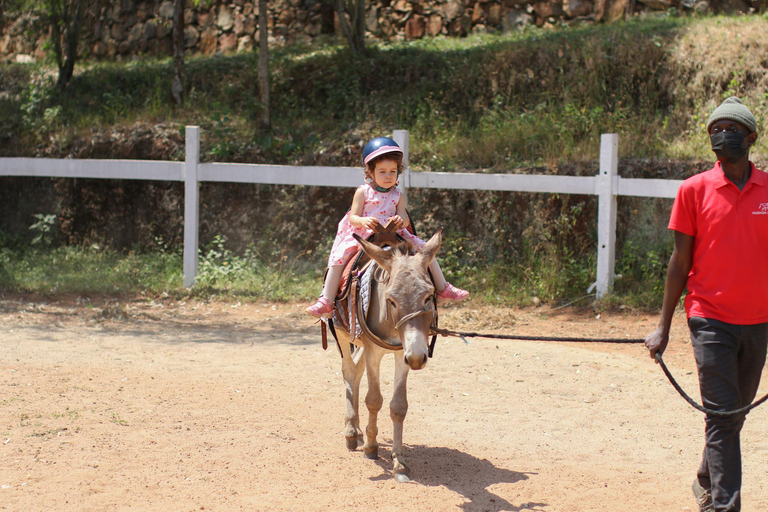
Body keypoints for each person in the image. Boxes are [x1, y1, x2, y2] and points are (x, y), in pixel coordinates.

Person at [644, 97, 767, 512]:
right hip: (709, 319)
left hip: (759, 321)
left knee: (734, 414)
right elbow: (680, 262)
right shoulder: (694, 190)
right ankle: (723, 506)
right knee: (721, 415)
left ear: (751, 136)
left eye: (731, 128)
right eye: (715, 129)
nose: (721, 134)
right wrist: (663, 326)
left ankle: (704, 480)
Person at [305, 136, 469, 318]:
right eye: (382, 171)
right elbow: (353, 217)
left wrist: (401, 220)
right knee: (339, 257)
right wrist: (363, 221)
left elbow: (404, 217)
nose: (388, 175)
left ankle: (442, 287)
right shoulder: (363, 191)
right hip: (366, 232)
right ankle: (326, 300)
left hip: (392, 232)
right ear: (370, 172)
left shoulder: (398, 195)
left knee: (426, 250)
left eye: (393, 171)